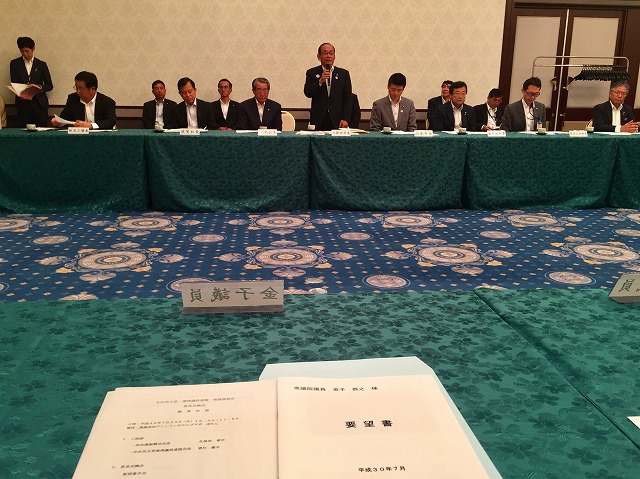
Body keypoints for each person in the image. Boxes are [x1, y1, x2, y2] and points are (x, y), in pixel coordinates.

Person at [304, 42, 352, 130]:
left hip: (337, 120)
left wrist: (345, 118)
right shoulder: (312, 72)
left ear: (334, 56)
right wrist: (320, 81)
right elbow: (307, 93)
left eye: (331, 53)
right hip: (318, 119)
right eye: (325, 53)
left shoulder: (343, 74)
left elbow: (348, 98)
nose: (328, 56)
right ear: (319, 57)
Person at [9, 36, 53, 127]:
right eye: (22, 51)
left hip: (39, 104)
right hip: (23, 104)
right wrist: (20, 93)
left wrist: (39, 87)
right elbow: (14, 83)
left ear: (33, 49)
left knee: (41, 130)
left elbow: (49, 85)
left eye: (27, 51)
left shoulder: (41, 64)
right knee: (23, 131)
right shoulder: (15, 64)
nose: (24, 54)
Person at [51, 71, 116, 130]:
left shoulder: (106, 102)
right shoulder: (73, 99)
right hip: (78, 136)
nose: (77, 92)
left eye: (80, 89)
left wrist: (91, 126)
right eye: (76, 88)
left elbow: (110, 121)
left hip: (101, 136)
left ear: (92, 89)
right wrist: (58, 123)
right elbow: (64, 119)